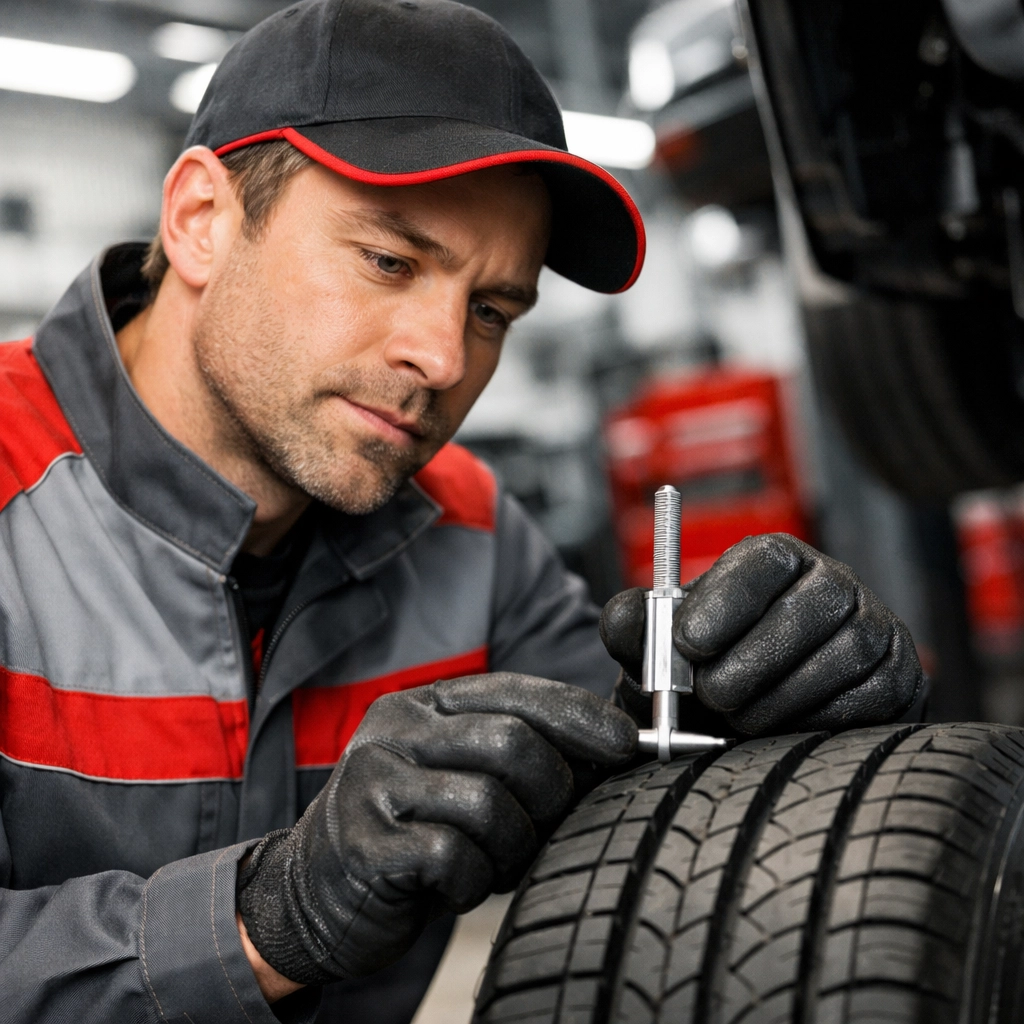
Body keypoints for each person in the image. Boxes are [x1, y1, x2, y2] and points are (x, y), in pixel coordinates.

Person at [0, 0, 924, 1020]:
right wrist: (266, 920)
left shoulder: (473, 536)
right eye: (391, 262)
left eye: (491, 311)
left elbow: (643, 832)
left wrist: (753, 717)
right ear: (202, 221)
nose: (442, 360)